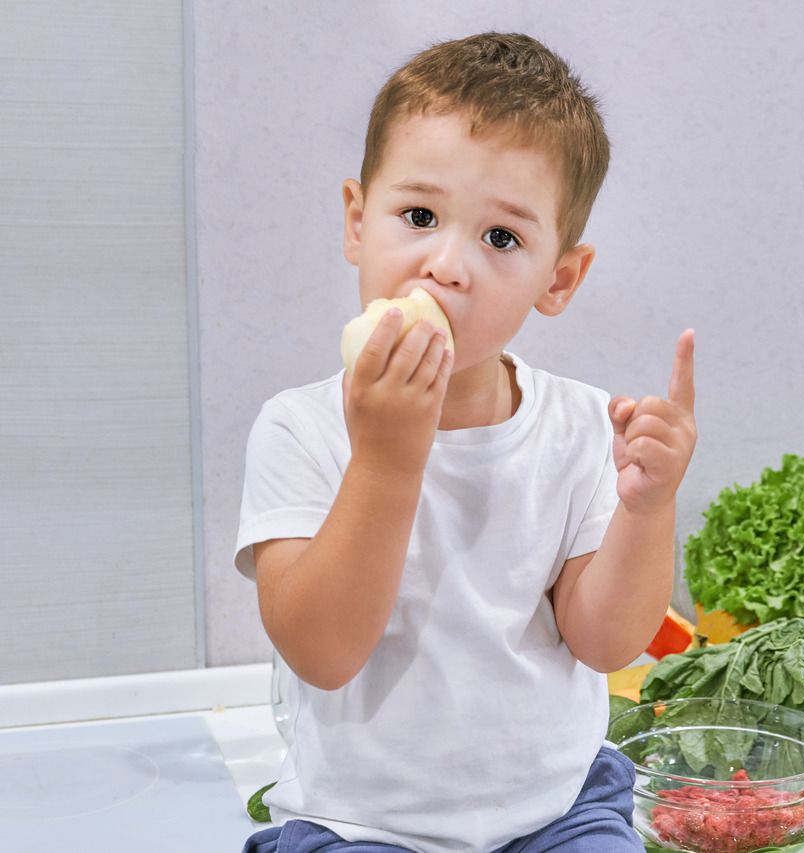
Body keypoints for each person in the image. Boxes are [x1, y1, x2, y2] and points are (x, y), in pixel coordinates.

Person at [233, 32, 697, 853]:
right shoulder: (299, 428)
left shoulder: (579, 427)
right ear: (357, 220)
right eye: (419, 216)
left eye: (501, 238)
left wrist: (649, 507)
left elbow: (606, 640)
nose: (446, 265)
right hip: (363, 825)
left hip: (554, 812)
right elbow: (322, 652)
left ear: (559, 278)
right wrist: (387, 459)